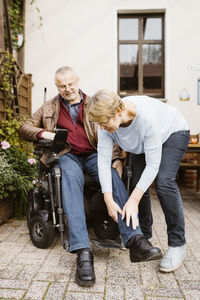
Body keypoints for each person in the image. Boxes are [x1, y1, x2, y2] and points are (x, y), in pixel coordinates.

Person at [19, 68, 161, 287]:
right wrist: (45, 133)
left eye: (70, 84)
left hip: (95, 153)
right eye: (62, 86)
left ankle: (134, 239)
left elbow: (111, 132)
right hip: (67, 155)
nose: (67, 89)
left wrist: (117, 159)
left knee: (113, 177)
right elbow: (24, 126)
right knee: (68, 177)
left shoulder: (95, 103)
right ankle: (82, 251)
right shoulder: (49, 107)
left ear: (77, 81)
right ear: (57, 87)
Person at [88, 89, 190, 273]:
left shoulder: (146, 119)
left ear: (119, 110)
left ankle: (177, 244)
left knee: (163, 181)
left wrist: (133, 201)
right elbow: (103, 162)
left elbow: (153, 166)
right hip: (141, 143)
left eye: (104, 123)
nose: (101, 128)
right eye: (99, 124)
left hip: (172, 132)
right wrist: (108, 198)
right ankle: (143, 237)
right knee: (136, 183)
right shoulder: (105, 123)